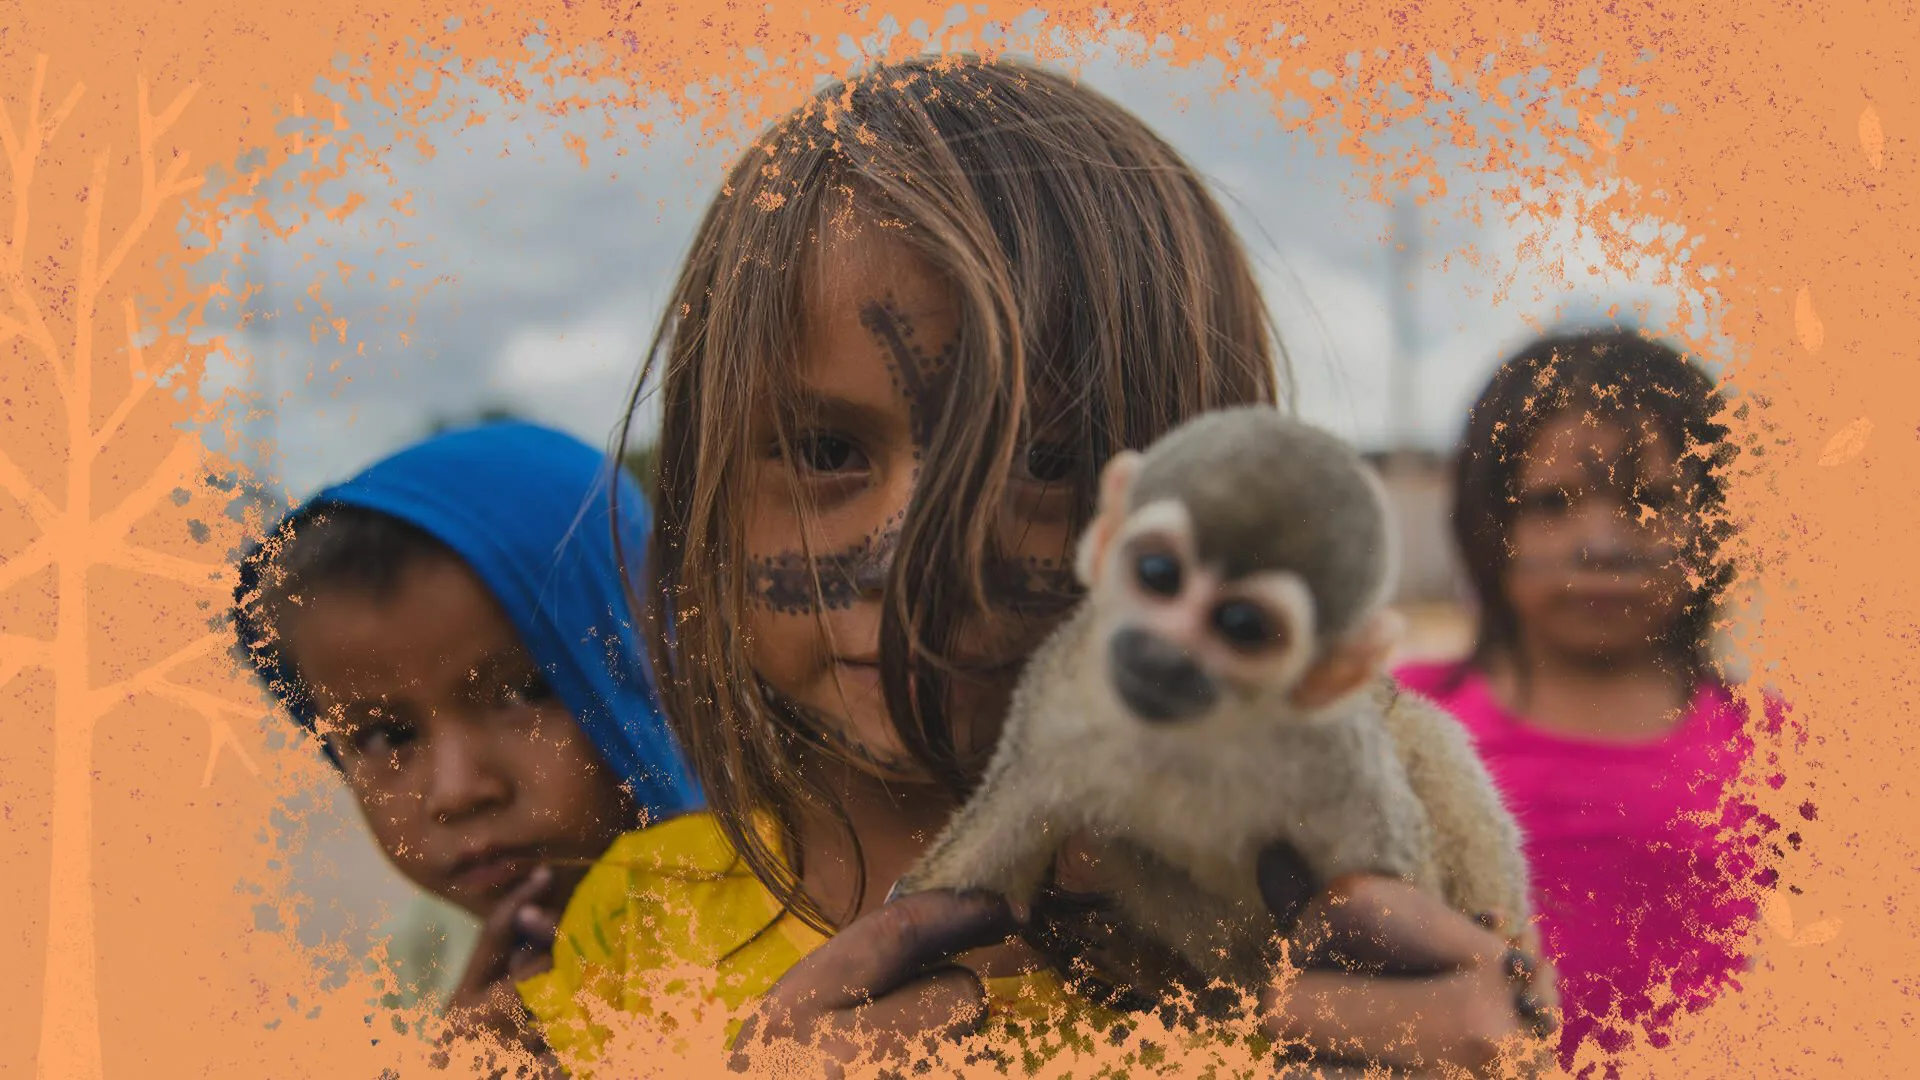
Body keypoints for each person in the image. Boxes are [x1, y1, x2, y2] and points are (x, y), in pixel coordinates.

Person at [518, 55, 1555, 1079]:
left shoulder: (1324, 958)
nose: (913, 565)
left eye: (1044, 461)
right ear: (705, 500)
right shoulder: (641, 922)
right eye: (827, 453)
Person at [232, 420, 701, 1048]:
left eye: (524, 693)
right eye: (384, 737)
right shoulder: (421, 964)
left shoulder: (803, 915)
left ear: (644, 662)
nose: (457, 792)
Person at [1395, 329, 1769, 1074]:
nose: (1600, 542)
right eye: (1551, 503)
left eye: (1652, 500)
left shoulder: (1783, 751)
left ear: (1716, 522)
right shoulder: (1399, 724)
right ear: (1484, 523)